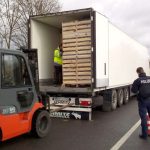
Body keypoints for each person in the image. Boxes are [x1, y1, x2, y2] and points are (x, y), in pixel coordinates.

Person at [131, 67, 150, 140]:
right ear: (143, 71)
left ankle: (144, 135)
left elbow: (134, 90)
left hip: (142, 101)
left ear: (138, 73)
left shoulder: (137, 80)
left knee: (144, 118)